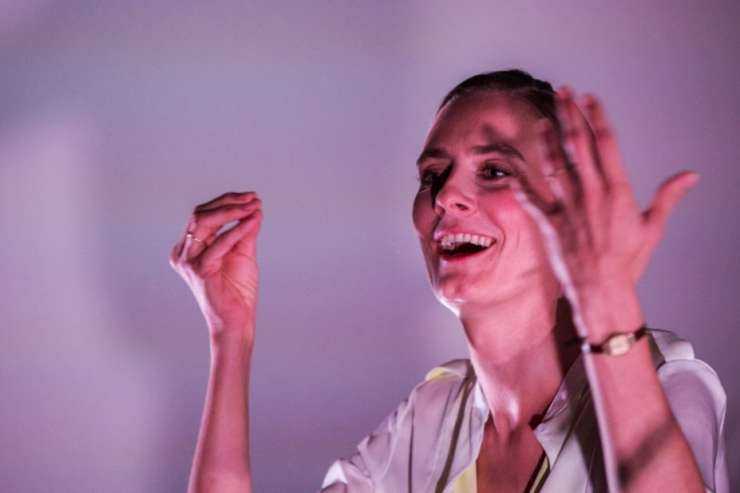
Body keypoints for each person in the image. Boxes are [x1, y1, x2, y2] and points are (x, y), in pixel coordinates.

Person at [169, 70, 728, 492]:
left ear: (569, 206)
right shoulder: (432, 416)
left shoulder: (662, 381)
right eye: (432, 175)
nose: (446, 197)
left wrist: (608, 308)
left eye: (495, 170)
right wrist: (230, 336)